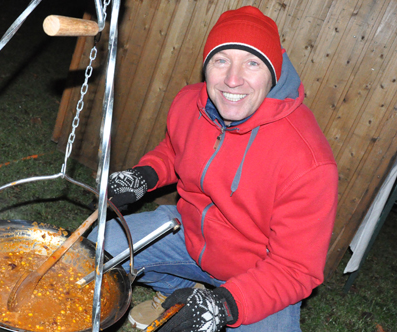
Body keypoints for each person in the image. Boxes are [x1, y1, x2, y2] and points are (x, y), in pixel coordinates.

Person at [88, 6, 338, 332]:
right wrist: (144, 176)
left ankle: (212, 302)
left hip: (259, 272)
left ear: (274, 73)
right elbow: (175, 151)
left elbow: (296, 269)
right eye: (222, 61)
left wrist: (226, 304)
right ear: (207, 66)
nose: (233, 80)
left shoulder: (309, 161)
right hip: (186, 234)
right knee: (99, 246)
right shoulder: (191, 102)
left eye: (252, 63)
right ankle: (181, 296)